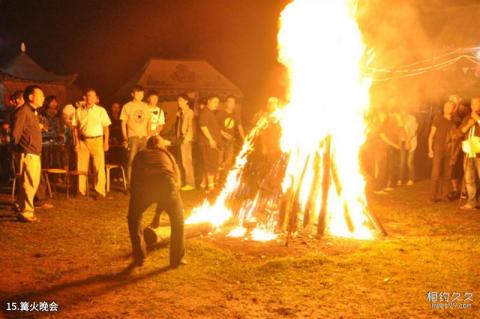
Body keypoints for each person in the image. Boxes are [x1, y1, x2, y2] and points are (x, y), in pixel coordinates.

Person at [127, 135, 186, 268]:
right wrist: (158, 213)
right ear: (161, 146)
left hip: (145, 188)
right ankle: (177, 260)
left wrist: (135, 201)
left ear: (148, 146)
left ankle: (139, 256)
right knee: (178, 220)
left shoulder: (140, 155)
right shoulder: (168, 156)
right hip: (167, 185)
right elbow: (176, 183)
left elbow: (134, 179)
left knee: (134, 218)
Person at [12, 85, 45, 222]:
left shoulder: (32, 112)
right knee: (29, 183)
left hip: (33, 152)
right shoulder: (24, 111)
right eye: (40, 95)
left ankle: (23, 209)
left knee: (30, 182)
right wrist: (18, 150)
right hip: (28, 152)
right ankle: (27, 212)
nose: (43, 98)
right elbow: (16, 133)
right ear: (31, 97)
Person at [73, 88, 111, 199]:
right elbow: (75, 127)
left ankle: (99, 191)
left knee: (98, 166)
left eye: (93, 96)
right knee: (81, 166)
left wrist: (106, 142)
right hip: (83, 141)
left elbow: (106, 127)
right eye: (89, 95)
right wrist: (77, 142)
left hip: (97, 140)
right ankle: (81, 191)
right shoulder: (79, 111)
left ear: (96, 98)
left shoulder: (101, 110)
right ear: (85, 97)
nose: (91, 98)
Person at [120, 85, 151, 185]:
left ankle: (142, 184)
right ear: (132, 94)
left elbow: (149, 121)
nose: (140, 95)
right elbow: (123, 123)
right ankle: (130, 185)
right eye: (138, 93)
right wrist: (125, 138)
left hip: (144, 137)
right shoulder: (127, 106)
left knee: (144, 162)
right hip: (132, 138)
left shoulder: (145, 106)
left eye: (142, 93)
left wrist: (148, 134)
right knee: (131, 162)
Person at [428, 101, 457, 202]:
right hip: (438, 149)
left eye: (449, 107)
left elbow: (454, 139)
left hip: (448, 151)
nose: (447, 108)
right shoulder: (438, 118)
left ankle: (444, 195)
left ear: (453, 109)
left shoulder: (453, 122)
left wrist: (453, 153)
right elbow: (431, 135)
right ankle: (433, 196)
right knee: (435, 173)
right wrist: (430, 149)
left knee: (447, 174)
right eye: (445, 106)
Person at [459, 97, 480, 210]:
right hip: (468, 152)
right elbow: (461, 131)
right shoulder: (467, 118)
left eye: (476, 103)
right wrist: (469, 124)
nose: (473, 106)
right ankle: (472, 202)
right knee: (469, 178)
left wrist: (477, 119)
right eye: (472, 104)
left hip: (479, 154)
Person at [199, 95, 223, 192]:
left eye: (218, 102)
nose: (216, 104)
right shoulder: (205, 112)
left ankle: (203, 185)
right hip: (208, 143)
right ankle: (211, 187)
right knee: (211, 164)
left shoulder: (210, 113)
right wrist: (211, 139)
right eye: (214, 102)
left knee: (210, 163)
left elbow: (212, 127)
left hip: (212, 142)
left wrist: (222, 133)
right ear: (208, 101)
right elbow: (203, 127)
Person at [218, 96, 245, 175]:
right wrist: (222, 133)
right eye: (229, 102)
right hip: (220, 140)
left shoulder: (236, 115)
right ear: (226, 103)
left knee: (228, 162)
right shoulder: (221, 113)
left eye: (233, 102)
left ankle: (224, 180)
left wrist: (244, 139)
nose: (231, 104)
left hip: (230, 142)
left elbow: (240, 127)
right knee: (219, 160)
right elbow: (215, 126)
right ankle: (216, 179)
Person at [175, 94, 195, 191]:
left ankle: (190, 183)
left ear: (186, 101)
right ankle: (183, 181)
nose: (179, 102)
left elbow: (189, 126)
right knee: (182, 161)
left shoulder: (189, 112)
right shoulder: (181, 112)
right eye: (178, 100)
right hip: (180, 139)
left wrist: (186, 138)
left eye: (181, 100)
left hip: (185, 139)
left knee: (187, 162)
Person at [398, 108, 418, 186]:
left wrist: (408, 142)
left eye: (404, 110)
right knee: (402, 161)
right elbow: (400, 131)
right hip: (403, 141)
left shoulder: (412, 118)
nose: (403, 112)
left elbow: (413, 132)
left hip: (412, 141)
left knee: (409, 162)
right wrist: (401, 142)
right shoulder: (399, 119)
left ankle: (411, 179)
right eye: (402, 110)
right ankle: (400, 179)